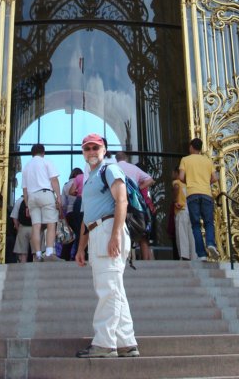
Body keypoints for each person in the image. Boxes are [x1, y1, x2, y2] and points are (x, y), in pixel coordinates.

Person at [75, 133, 139, 359]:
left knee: (107, 289)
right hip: (96, 232)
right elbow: (86, 217)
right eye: (87, 148)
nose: (91, 152)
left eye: (95, 147)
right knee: (115, 289)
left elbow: (122, 200)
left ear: (104, 150)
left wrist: (115, 236)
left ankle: (104, 343)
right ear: (83, 152)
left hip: (109, 228)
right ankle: (125, 342)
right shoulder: (90, 177)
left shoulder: (109, 170)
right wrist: (81, 248)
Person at [179, 137, 220, 261]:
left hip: (192, 193)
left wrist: (190, 181)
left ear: (191, 147)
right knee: (208, 222)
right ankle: (211, 244)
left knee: (196, 225)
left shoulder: (185, 160)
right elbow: (215, 178)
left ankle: (201, 254)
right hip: (206, 193)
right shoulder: (207, 161)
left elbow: (181, 177)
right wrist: (205, 182)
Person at [22, 143, 62, 262]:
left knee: (36, 226)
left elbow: (24, 189)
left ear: (32, 153)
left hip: (32, 197)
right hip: (45, 194)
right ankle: (49, 252)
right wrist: (58, 196)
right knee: (51, 224)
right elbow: (54, 180)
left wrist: (26, 205)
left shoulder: (26, 167)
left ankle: (38, 254)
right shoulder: (46, 162)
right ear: (43, 152)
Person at [115, 151, 155, 260]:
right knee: (138, 231)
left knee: (120, 228)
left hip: (117, 202)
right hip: (134, 203)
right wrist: (138, 188)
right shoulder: (134, 168)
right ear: (126, 158)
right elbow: (150, 179)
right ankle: (142, 260)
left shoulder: (113, 167)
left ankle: (123, 258)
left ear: (116, 159)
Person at [172, 166, 196, 261]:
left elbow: (176, 187)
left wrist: (175, 200)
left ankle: (184, 256)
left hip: (181, 210)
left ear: (177, 173)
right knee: (191, 235)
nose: (172, 175)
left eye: (173, 173)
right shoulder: (188, 184)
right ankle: (193, 255)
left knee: (182, 234)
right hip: (190, 210)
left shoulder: (176, 182)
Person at [62, 167, 84, 260]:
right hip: (80, 211)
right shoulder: (83, 181)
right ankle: (79, 254)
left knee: (69, 236)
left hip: (69, 213)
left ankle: (65, 256)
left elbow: (63, 203)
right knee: (81, 232)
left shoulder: (66, 186)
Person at [10, 196, 33, 263]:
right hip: (35, 228)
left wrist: (18, 229)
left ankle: (23, 269)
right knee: (36, 253)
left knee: (23, 254)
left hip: (23, 227)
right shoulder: (36, 198)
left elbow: (14, 217)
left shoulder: (19, 200)